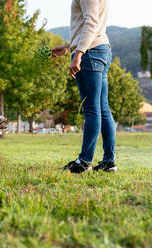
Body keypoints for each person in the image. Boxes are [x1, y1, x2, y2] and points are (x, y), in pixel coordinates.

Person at [52, 0, 117, 173]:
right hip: (100, 49)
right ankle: (109, 163)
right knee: (102, 108)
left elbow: (91, 22)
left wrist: (78, 53)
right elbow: (88, 22)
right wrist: (69, 47)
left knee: (92, 108)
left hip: (90, 52)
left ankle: (84, 161)